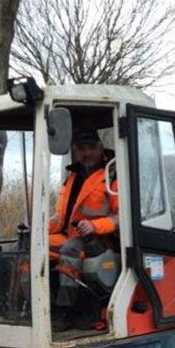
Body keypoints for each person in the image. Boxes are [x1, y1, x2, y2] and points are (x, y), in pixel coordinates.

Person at [48, 128, 119, 331]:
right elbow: (60, 216)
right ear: (75, 151)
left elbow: (120, 217)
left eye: (90, 147)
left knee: (70, 250)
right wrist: (38, 228)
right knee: (27, 246)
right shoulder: (73, 175)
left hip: (100, 240)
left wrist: (95, 226)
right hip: (69, 234)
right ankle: (28, 308)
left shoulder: (111, 175)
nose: (86, 153)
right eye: (81, 148)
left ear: (100, 148)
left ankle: (65, 312)